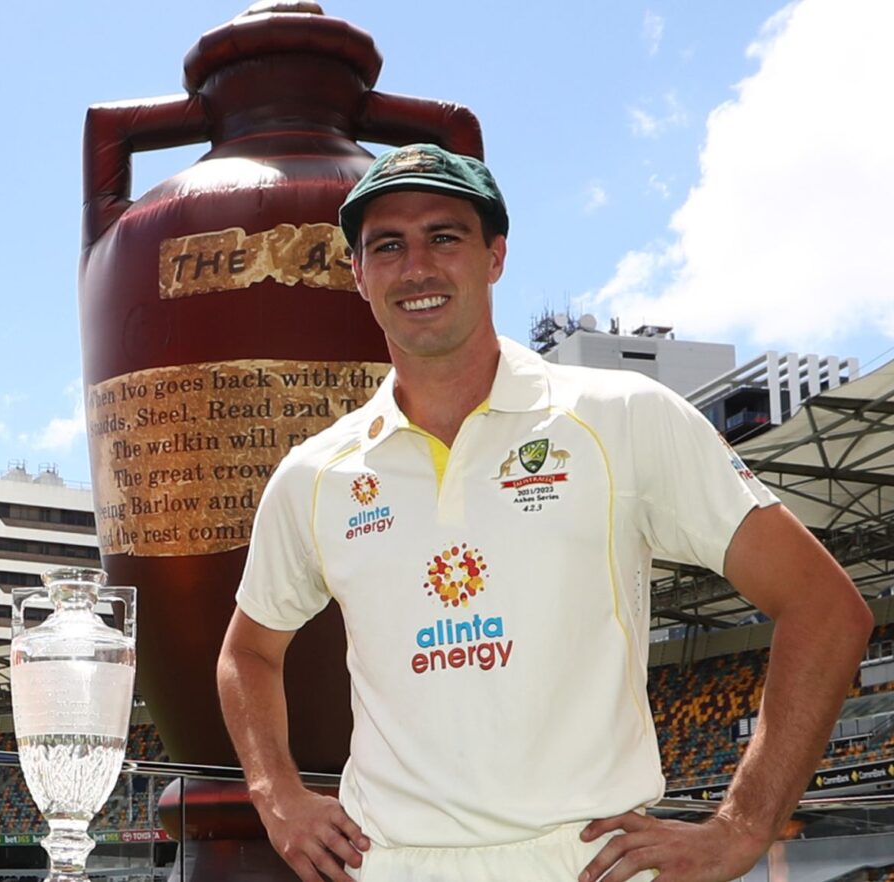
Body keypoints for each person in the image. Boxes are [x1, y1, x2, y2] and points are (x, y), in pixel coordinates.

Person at [216, 144, 873, 882]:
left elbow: (824, 607)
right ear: (358, 274)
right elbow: (248, 652)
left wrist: (743, 824)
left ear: (495, 255)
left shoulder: (623, 418)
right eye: (388, 246)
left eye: (445, 236)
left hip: (586, 861)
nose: (417, 268)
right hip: (390, 863)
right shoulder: (316, 473)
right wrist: (276, 794)